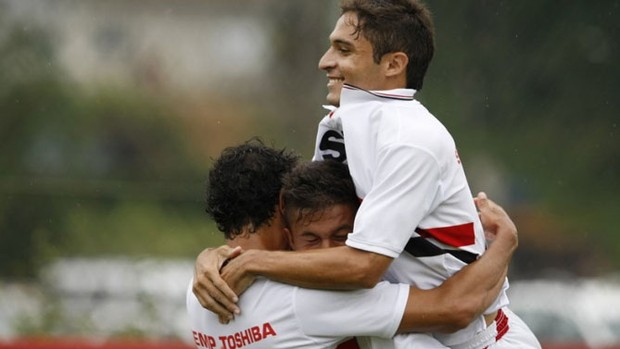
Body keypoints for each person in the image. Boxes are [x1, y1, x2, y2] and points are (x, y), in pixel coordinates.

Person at [194, 1, 540, 348]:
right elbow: (305, 229)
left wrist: (251, 262)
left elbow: (364, 267)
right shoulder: (339, 125)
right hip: (407, 329)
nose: (325, 61)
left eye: (344, 50)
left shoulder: (411, 140)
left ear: (393, 64)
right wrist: (219, 257)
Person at [188, 140, 517, 349]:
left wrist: (218, 257)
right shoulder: (310, 299)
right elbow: (454, 308)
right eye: (311, 236)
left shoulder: (198, 292)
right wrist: (504, 243)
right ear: (282, 203)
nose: (327, 249)